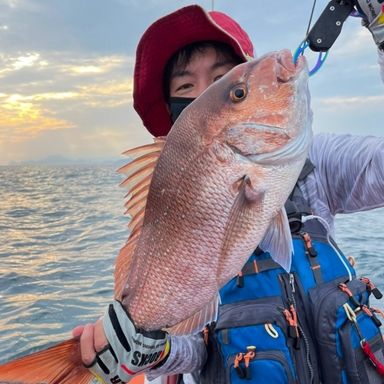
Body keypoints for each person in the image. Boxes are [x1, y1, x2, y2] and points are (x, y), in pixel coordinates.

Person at [74, 3, 384, 383]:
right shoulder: (168, 200)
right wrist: (151, 348)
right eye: (185, 86)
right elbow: (193, 349)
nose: (203, 92)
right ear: (174, 112)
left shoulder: (314, 162)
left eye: (226, 81)